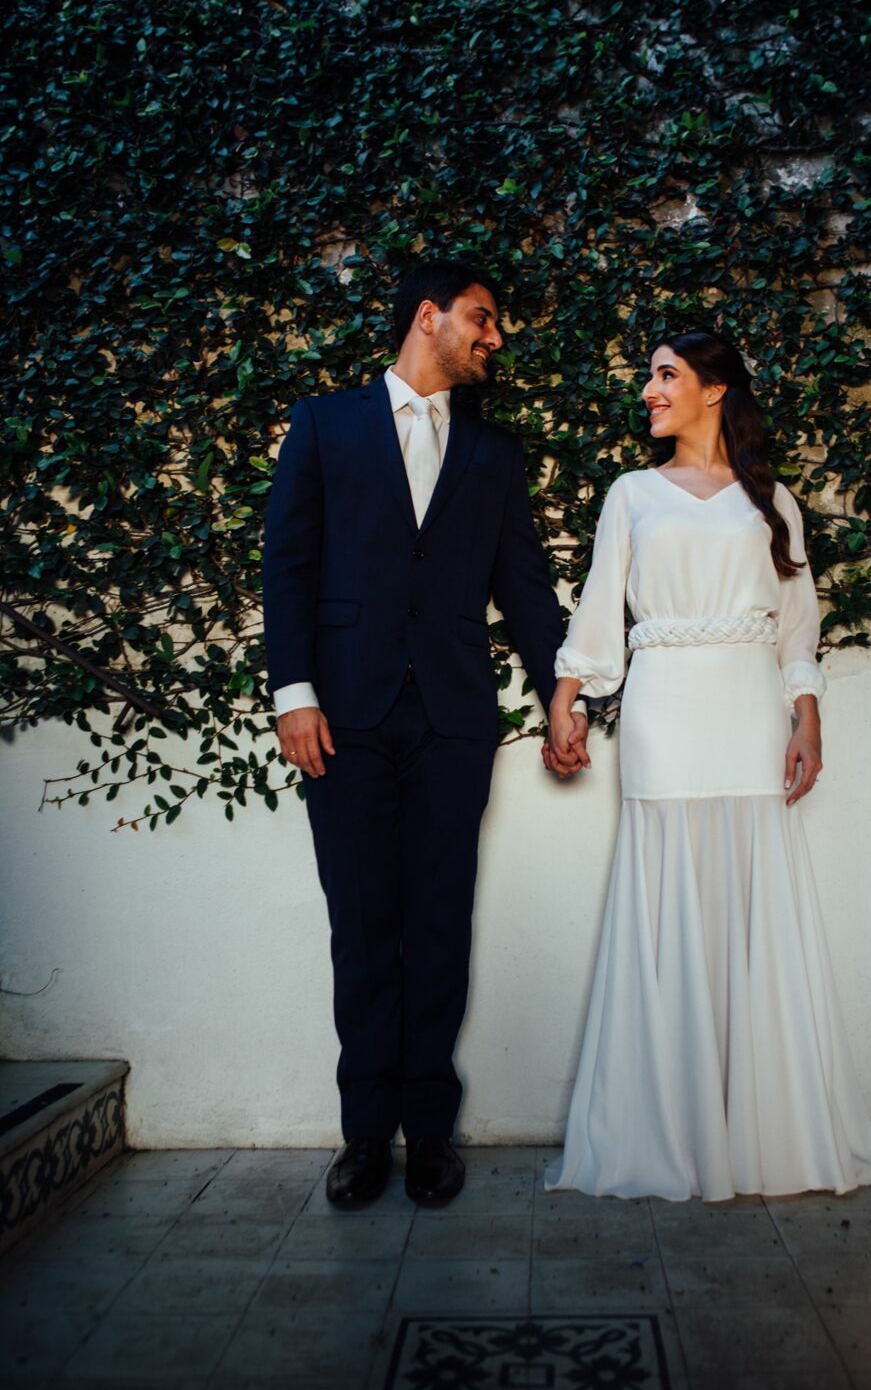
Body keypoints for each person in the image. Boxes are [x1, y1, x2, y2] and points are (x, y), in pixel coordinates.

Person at [542, 331, 871, 1201]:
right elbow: (598, 607)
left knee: (753, 900)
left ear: (714, 389)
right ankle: (670, 1132)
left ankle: (767, 1135)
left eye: (665, 375)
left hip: (748, 712)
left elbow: (796, 625)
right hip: (663, 712)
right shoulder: (631, 494)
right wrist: (568, 696)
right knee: (665, 900)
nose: (648, 390)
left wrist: (806, 717)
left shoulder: (770, 501)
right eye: (648, 376)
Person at [263, 259, 588, 1210]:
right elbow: (288, 564)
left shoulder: (492, 453)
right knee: (364, 930)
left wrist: (558, 696)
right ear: (427, 317)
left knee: (440, 924)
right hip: (342, 720)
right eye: (481, 318)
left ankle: (431, 1133)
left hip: (452, 719)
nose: (495, 337)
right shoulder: (324, 424)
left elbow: (523, 588)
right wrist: (293, 692)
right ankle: (365, 1135)